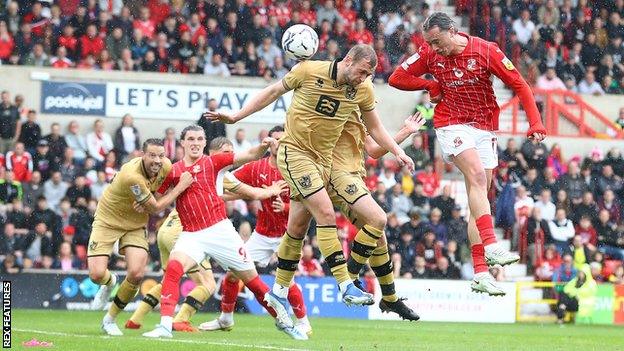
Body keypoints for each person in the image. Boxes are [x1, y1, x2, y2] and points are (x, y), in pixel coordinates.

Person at [205, 44, 414, 307]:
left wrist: (398, 152)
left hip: (323, 163)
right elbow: (272, 92)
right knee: (326, 213)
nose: (363, 78)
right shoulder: (307, 70)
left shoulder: (363, 89)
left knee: (297, 227)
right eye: (361, 72)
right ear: (348, 60)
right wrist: (236, 116)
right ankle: (346, 284)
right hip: (295, 154)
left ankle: (279, 290)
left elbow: (376, 128)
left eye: (367, 75)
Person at [389, 12, 547, 296]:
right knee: (475, 176)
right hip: (451, 122)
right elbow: (396, 77)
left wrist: (535, 121)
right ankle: (491, 245)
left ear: (452, 31)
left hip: (485, 128)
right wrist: (429, 84)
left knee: (480, 199)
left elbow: (520, 84)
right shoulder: (429, 53)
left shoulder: (487, 51)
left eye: (437, 42)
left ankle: (481, 273)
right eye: (430, 43)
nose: (434, 49)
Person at [142, 126, 304, 340]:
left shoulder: (213, 162)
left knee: (253, 283)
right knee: (173, 268)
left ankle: (285, 321)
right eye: (191, 138)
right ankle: (164, 326)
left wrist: (264, 145)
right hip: (191, 234)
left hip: (221, 232)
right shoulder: (173, 171)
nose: (195, 142)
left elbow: (249, 155)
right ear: (182, 143)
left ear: (204, 143)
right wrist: (151, 195)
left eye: (200, 139)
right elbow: (156, 203)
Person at [200, 127, 312, 335]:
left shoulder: (297, 170)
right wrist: (215, 196)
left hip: (288, 235)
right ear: (269, 143)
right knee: (233, 273)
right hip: (261, 234)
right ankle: (226, 319)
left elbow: (311, 204)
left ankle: (303, 322)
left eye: (284, 140)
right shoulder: (255, 168)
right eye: (276, 140)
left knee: (286, 279)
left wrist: (286, 208)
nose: (280, 144)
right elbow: (230, 185)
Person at [88, 139, 193, 336]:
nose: (157, 160)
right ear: (142, 155)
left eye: (161, 155)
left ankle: (109, 319)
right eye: (152, 155)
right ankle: (110, 282)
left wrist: (149, 197)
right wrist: (172, 192)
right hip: (108, 220)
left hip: (135, 224)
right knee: (96, 275)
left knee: (136, 274)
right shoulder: (131, 176)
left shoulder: (166, 166)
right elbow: (155, 208)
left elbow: (161, 189)